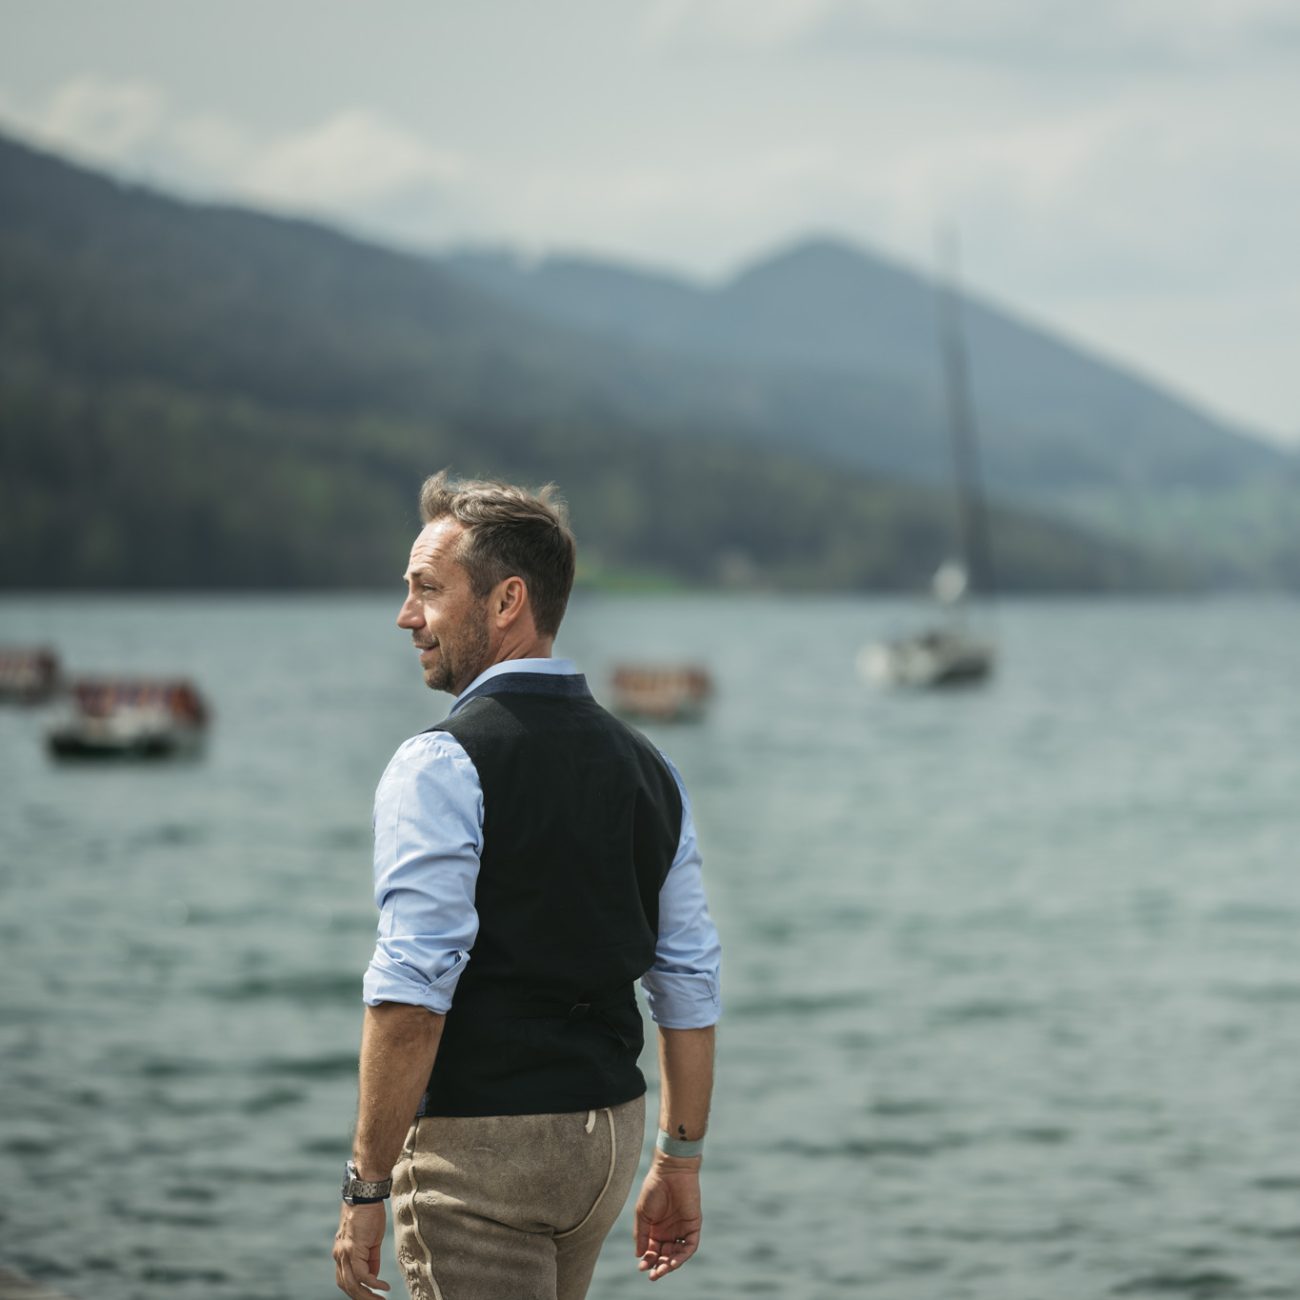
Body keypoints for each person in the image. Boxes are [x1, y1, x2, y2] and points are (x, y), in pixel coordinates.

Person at [332, 472, 721, 1300]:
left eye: (428, 591)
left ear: (507, 600)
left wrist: (366, 1187)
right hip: (604, 1144)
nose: (407, 617)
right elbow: (687, 982)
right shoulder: (655, 769)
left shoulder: (438, 763)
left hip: (483, 1152)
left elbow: (410, 996)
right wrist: (678, 1160)